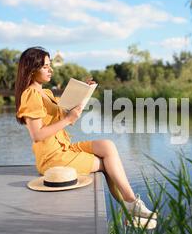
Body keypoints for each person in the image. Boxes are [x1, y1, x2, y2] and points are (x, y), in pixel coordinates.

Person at [15, 46, 156, 220]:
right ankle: (131, 204)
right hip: (52, 158)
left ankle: (129, 205)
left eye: (50, 65)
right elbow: (37, 135)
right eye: (45, 66)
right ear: (31, 69)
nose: (50, 69)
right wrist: (68, 120)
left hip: (63, 149)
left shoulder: (46, 93)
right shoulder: (30, 95)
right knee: (106, 165)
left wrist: (83, 92)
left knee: (107, 146)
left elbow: (67, 110)